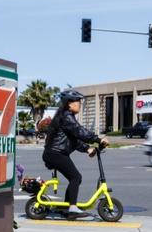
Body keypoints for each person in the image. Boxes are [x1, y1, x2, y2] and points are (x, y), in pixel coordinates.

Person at [43, 90, 107, 219]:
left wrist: (87, 148)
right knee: (75, 177)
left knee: (75, 178)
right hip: (55, 154)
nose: (79, 104)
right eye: (77, 101)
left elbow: (74, 139)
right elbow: (79, 131)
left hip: (56, 153)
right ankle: (72, 208)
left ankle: (68, 207)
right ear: (69, 104)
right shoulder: (67, 116)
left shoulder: (66, 116)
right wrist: (98, 139)